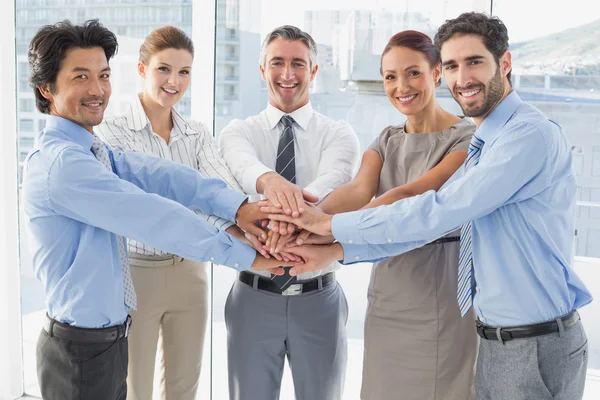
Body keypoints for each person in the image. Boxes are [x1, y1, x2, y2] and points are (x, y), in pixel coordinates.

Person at [267, 12, 592, 400]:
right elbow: (370, 196)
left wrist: (327, 229)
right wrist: (316, 232)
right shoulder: (486, 139)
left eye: (474, 62)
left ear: (504, 64)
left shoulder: (518, 137)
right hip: (493, 337)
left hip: (528, 340)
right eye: (454, 64)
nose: (462, 78)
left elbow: (433, 210)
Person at [23, 19, 286, 400]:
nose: (98, 90)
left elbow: (160, 174)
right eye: (81, 76)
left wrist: (240, 206)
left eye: (104, 75)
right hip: (79, 353)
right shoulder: (64, 165)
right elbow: (154, 216)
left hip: (102, 342)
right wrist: (247, 255)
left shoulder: (91, 150)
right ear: (46, 88)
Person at [285, 30, 476, 400]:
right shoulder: (387, 138)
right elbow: (357, 191)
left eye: (413, 73)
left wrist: (323, 230)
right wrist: (302, 221)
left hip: (439, 295)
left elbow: (410, 196)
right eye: (390, 76)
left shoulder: (466, 139)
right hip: (389, 295)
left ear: (436, 73)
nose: (401, 86)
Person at [95, 26, 254, 400]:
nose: (174, 81)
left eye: (184, 72)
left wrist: (246, 230)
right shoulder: (112, 132)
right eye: (164, 69)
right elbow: (142, 205)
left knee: (185, 386)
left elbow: (220, 194)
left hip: (190, 273)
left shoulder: (197, 134)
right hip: (136, 276)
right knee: (136, 387)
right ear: (141, 69)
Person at [219, 25, 360, 400]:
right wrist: (273, 185)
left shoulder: (339, 133)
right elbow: (243, 166)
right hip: (252, 298)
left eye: (298, 63)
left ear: (313, 71)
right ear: (262, 69)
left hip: (320, 299)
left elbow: (332, 182)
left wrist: (283, 212)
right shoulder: (237, 133)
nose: (287, 73)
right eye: (277, 62)